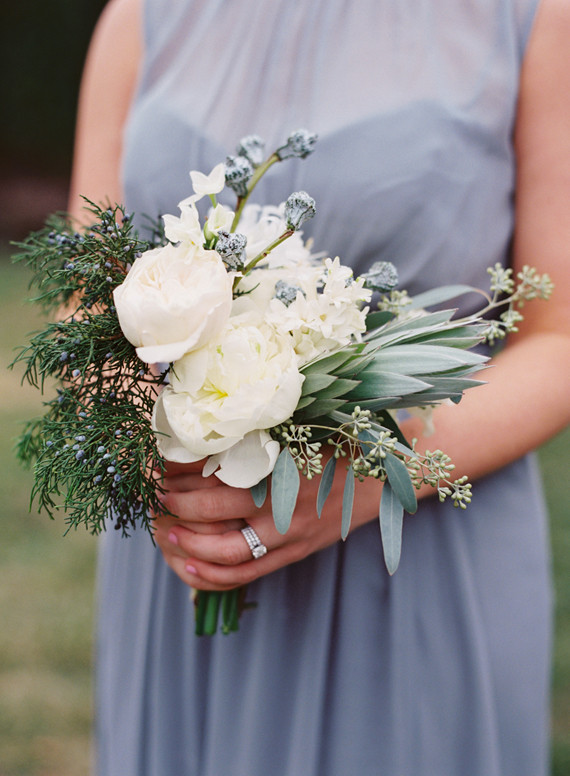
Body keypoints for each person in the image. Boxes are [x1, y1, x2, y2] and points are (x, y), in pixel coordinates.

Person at [68, 0, 570, 774]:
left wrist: (362, 476)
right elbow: (81, 298)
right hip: (182, 561)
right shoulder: (140, 16)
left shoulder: (533, 18)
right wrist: (154, 445)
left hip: (416, 559)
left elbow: (559, 337)